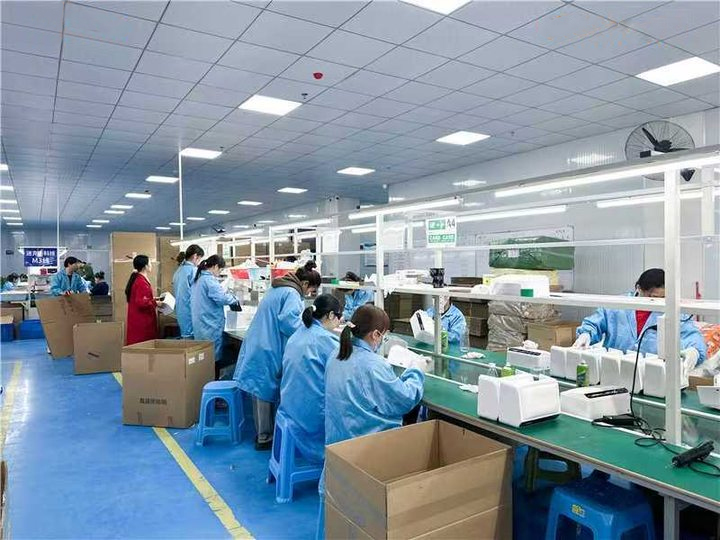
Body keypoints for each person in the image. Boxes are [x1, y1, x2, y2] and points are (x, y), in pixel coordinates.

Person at [234, 261, 321, 450]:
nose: (309, 294)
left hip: (260, 341)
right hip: (267, 345)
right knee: (264, 390)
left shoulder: (279, 288)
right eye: (311, 290)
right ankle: (265, 438)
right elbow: (289, 323)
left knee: (261, 389)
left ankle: (264, 433)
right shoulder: (292, 293)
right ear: (305, 284)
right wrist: (310, 328)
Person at [325, 304, 425, 446]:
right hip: (366, 445)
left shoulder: (336, 354)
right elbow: (405, 399)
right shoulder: (373, 366)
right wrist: (416, 370)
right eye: (384, 335)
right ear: (376, 334)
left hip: (337, 443)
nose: (384, 339)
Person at [575, 268, 707, 368]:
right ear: (639, 289)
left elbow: (692, 336)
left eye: (664, 297)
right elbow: (594, 323)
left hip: (653, 373)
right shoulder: (617, 305)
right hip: (614, 368)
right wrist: (586, 335)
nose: (659, 301)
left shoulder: (673, 311)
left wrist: (694, 351)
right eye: (654, 297)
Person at [276, 294, 341, 463]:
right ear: (331, 315)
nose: (339, 322)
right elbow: (347, 364)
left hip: (289, 406)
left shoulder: (300, 332)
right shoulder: (324, 339)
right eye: (339, 317)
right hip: (309, 416)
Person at [191, 255, 240, 379]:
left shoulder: (199, 278)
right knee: (213, 358)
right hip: (209, 325)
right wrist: (234, 299)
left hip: (201, 324)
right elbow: (221, 298)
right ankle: (213, 383)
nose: (219, 273)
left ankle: (203, 382)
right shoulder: (209, 280)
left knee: (204, 358)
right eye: (220, 270)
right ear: (215, 266)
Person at [125, 255, 160, 346]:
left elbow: (142, 298)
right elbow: (141, 303)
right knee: (143, 345)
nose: (151, 265)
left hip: (138, 318)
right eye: (150, 263)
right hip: (142, 321)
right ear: (145, 266)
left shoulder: (138, 279)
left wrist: (153, 299)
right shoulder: (141, 282)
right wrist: (155, 303)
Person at [173, 244, 205, 338]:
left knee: (186, 338)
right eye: (199, 259)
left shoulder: (179, 271)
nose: (199, 262)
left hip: (181, 311)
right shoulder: (193, 271)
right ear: (195, 256)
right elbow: (199, 293)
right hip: (190, 312)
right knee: (192, 341)